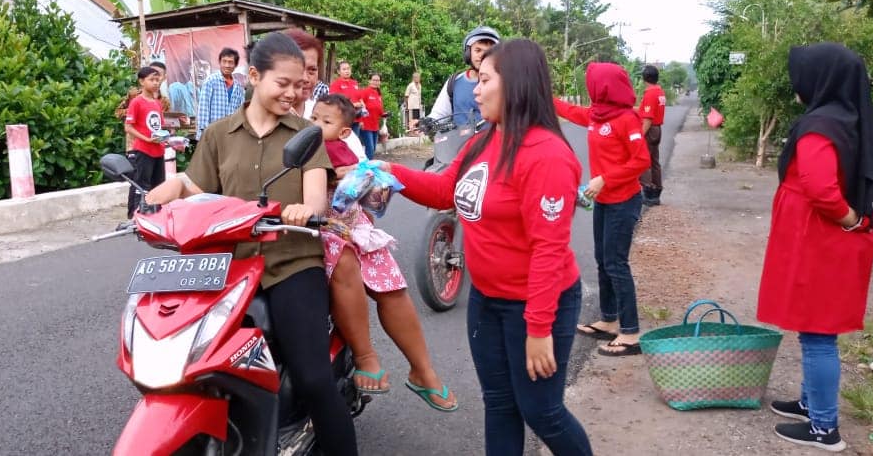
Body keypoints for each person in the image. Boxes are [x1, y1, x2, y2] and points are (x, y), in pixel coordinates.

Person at [143, 32, 358, 455]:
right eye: (283, 83)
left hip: (290, 263)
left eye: (299, 86)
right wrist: (159, 195)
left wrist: (302, 209)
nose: (293, 94)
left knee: (313, 376)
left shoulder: (307, 135)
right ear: (255, 76)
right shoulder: (219, 134)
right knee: (188, 362)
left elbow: (315, 197)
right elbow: (193, 183)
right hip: (227, 267)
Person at [380, 39, 593, 455]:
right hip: (488, 300)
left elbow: (549, 251)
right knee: (499, 404)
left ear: (515, 85)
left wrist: (538, 328)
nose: (475, 90)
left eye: (485, 80)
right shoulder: (485, 139)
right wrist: (390, 172)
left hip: (534, 303)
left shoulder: (546, 155)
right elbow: (445, 190)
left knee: (541, 411)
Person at [759, 43, 873, 453]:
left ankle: (823, 428)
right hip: (823, 239)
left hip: (821, 238)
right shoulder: (844, 118)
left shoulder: (819, 126)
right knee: (813, 325)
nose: (797, 84)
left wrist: (853, 221)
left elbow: (821, 189)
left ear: (821, 79)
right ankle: (810, 403)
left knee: (817, 333)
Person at [310, 92, 457, 412]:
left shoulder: (339, 141)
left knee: (390, 281)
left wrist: (360, 178)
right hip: (314, 227)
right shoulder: (295, 132)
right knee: (344, 260)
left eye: (308, 70)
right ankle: (366, 355)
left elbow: (364, 175)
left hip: (351, 222)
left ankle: (423, 370)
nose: (318, 124)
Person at [555, 63, 650, 357]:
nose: (588, 88)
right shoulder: (597, 116)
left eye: (592, 83)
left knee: (616, 264)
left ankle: (631, 333)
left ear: (603, 86)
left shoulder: (626, 119)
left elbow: (641, 161)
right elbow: (570, 112)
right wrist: (540, 94)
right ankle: (609, 320)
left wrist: (604, 179)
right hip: (605, 201)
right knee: (602, 260)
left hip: (624, 200)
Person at [280, 28, 366, 162]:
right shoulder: (262, 121)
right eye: (297, 69)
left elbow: (362, 168)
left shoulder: (329, 114)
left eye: (312, 70)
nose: (306, 78)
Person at [424, 26, 500, 127]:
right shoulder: (455, 82)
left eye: (488, 52)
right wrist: (427, 122)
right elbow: (440, 113)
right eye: (478, 50)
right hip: (461, 141)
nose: (482, 56)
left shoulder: (503, 82)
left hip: (494, 141)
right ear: (468, 53)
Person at [124, 67, 168, 219]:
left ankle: (156, 216)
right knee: (141, 185)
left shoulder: (157, 103)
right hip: (143, 151)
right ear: (142, 82)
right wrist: (146, 139)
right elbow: (128, 127)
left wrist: (168, 140)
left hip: (158, 150)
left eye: (157, 80)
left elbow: (160, 127)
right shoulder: (136, 102)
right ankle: (135, 216)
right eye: (151, 80)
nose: (156, 83)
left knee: (159, 185)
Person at [196, 47, 245, 138]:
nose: (227, 65)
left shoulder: (238, 87)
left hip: (231, 134)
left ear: (235, 65)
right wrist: (203, 135)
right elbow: (203, 108)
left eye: (230, 62)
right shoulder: (211, 81)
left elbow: (240, 111)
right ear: (220, 62)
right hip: (213, 133)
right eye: (224, 61)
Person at [637, 65, 667, 206]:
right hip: (657, 129)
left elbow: (648, 118)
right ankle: (656, 190)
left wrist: (640, 136)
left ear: (645, 78)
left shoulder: (650, 93)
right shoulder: (659, 91)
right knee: (654, 161)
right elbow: (645, 110)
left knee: (644, 160)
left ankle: (648, 190)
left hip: (650, 129)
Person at [356, 73, 386, 160]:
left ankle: (367, 167)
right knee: (370, 149)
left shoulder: (378, 94)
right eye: (374, 80)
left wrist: (384, 114)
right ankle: (367, 169)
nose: (376, 82)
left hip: (375, 126)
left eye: (378, 80)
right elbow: (360, 107)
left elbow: (380, 110)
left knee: (373, 149)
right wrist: (360, 121)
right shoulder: (365, 92)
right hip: (366, 125)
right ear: (369, 81)